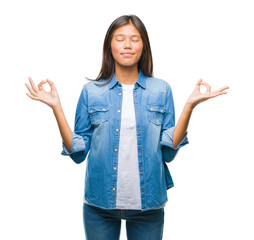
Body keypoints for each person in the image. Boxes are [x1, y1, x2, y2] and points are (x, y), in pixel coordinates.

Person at [25, 15, 229, 240]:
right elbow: (77, 153)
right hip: (99, 205)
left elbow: (169, 152)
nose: (128, 45)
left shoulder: (161, 90)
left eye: (135, 39)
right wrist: (57, 108)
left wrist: (189, 106)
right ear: (109, 46)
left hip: (149, 205)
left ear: (144, 46)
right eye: (120, 38)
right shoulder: (91, 91)